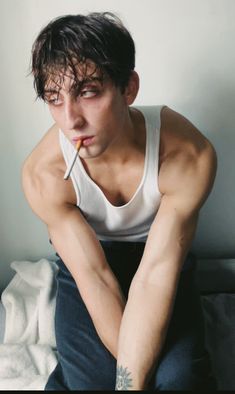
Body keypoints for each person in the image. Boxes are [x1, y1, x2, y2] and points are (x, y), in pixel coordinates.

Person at [21, 12, 217, 390]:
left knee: (179, 380)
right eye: (53, 98)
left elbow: (156, 275)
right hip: (90, 267)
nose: (70, 120)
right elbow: (94, 278)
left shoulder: (186, 154)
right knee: (94, 384)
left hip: (161, 259)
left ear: (128, 88)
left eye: (88, 92)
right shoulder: (43, 172)